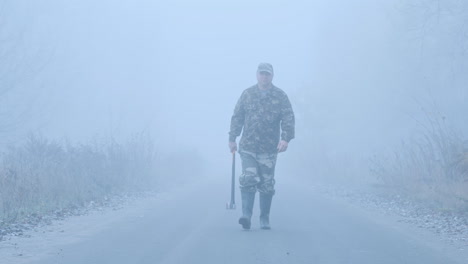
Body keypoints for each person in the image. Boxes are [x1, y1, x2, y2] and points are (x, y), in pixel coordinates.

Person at [228, 63, 295, 230]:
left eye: (267, 74)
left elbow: (288, 118)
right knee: (248, 178)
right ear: (257, 75)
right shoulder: (247, 94)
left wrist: (285, 139)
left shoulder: (280, 96)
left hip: (269, 148)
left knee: (267, 184)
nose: (264, 77)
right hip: (248, 146)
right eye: (262, 74)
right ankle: (246, 215)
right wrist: (232, 138)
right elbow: (237, 116)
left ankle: (264, 218)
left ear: (272, 76)